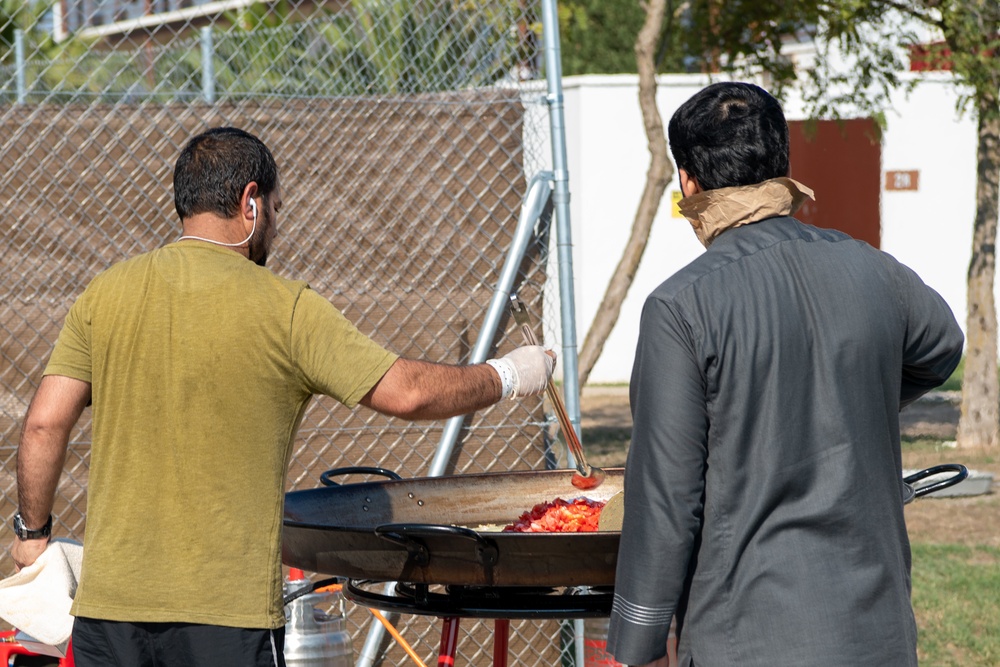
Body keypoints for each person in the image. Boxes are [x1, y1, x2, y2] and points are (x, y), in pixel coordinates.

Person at [10, 127, 555, 667]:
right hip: (226, 616)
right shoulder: (287, 308)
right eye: (275, 207)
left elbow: (43, 426)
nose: (275, 223)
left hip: (109, 614)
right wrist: (506, 375)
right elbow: (409, 394)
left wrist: (31, 535)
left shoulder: (104, 294)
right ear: (251, 202)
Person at [606, 82, 964, 667]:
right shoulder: (874, 269)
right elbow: (942, 346)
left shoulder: (680, 307)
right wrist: (844, 405)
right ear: (780, 165)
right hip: (879, 631)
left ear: (687, 182)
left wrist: (640, 643)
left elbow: (666, 498)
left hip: (749, 637)